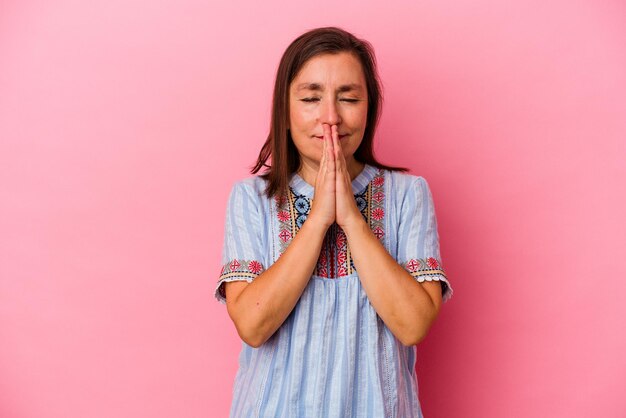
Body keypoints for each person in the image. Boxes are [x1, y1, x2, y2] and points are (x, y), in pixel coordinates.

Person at [214, 26, 454, 418]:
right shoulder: (251, 200)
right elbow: (253, 326)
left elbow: (412, 325)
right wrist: (319, 219)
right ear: (286, 112)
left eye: (349, 98)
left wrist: (351, 217)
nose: (330, 118)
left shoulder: (409, 194)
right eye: (311, 98)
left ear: (368, 108)